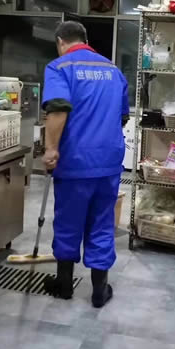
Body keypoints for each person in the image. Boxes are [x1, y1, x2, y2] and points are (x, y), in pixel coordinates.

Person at [41, 21, 129, 308]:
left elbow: (57, 109)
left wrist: (51, 149)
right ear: (85, 39)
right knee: (102, 224)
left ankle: (64, 285)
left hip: (75, 162)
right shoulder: (114, 70)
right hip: (108, 161)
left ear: (60, 41)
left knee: (68, 222)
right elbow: (122, 117)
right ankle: (99, 291)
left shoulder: (59, 68)